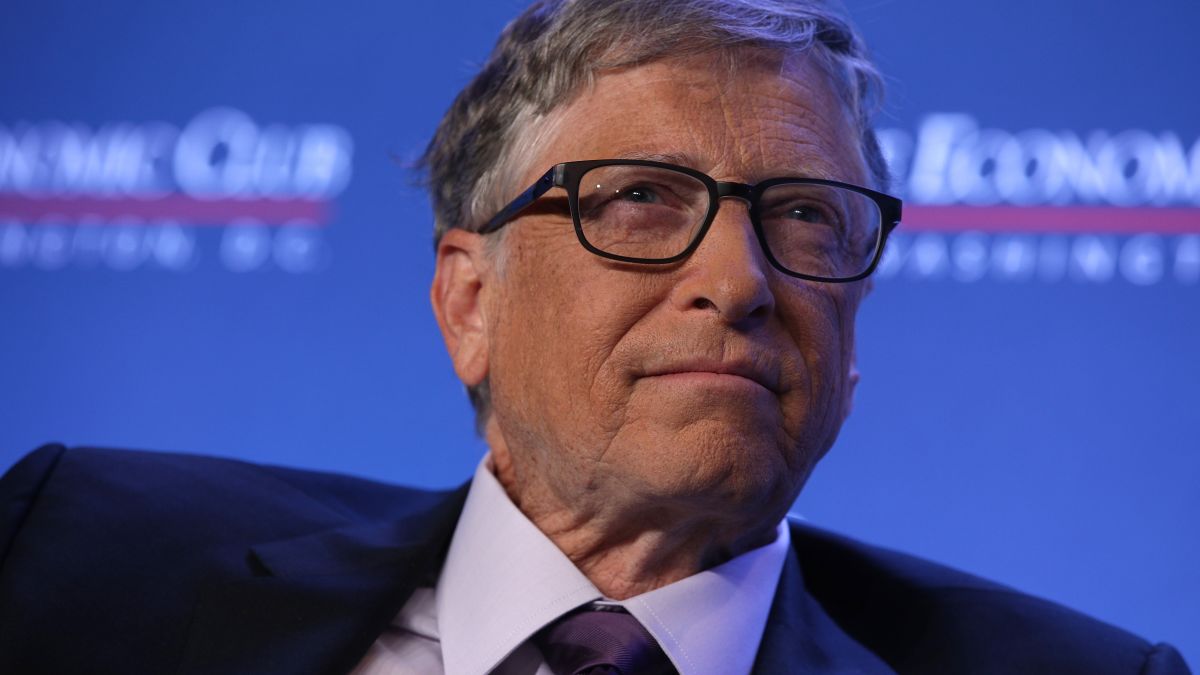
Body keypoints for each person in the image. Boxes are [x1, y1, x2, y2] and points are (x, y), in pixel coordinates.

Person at [0, 1, 1190, 673]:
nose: (739, 282)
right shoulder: (75, 559)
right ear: (471, 302)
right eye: (640, 201)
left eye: (803, 216)